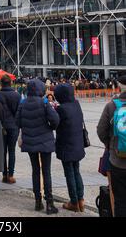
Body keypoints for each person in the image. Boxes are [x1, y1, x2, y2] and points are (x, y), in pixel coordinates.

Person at [16, 78, 59, 214]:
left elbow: (17, 121)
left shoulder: (23, 103)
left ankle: (37, 201)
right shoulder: (44, 103)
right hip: (45, 140)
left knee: (35, 170)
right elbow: (55, 120)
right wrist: (50, 127)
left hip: (30, 141)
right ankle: (50, 203)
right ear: (40, 90)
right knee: (46, 171)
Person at [97, 75, 126, 217]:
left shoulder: (111, 105)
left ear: (120, 87)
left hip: (118, 160)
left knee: (120, 200)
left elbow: (101, 130)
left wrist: (110, 146)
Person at [54, 83, 85, 212]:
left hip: (66, 145)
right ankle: (81, 200)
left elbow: (55, 124)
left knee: (69, 173)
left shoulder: (61, 109)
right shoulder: (77, 105)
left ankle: (74, 202)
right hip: (78, 144)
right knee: (76, 171)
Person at [0, 74, 21, 184]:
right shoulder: (17, 95)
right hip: (13, 126)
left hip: (1, 126)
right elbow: (18, 112)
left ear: (1, 83)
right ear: (11, 83)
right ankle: (11, 175)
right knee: (11, 150)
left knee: (3, 151)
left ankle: (4, 174)